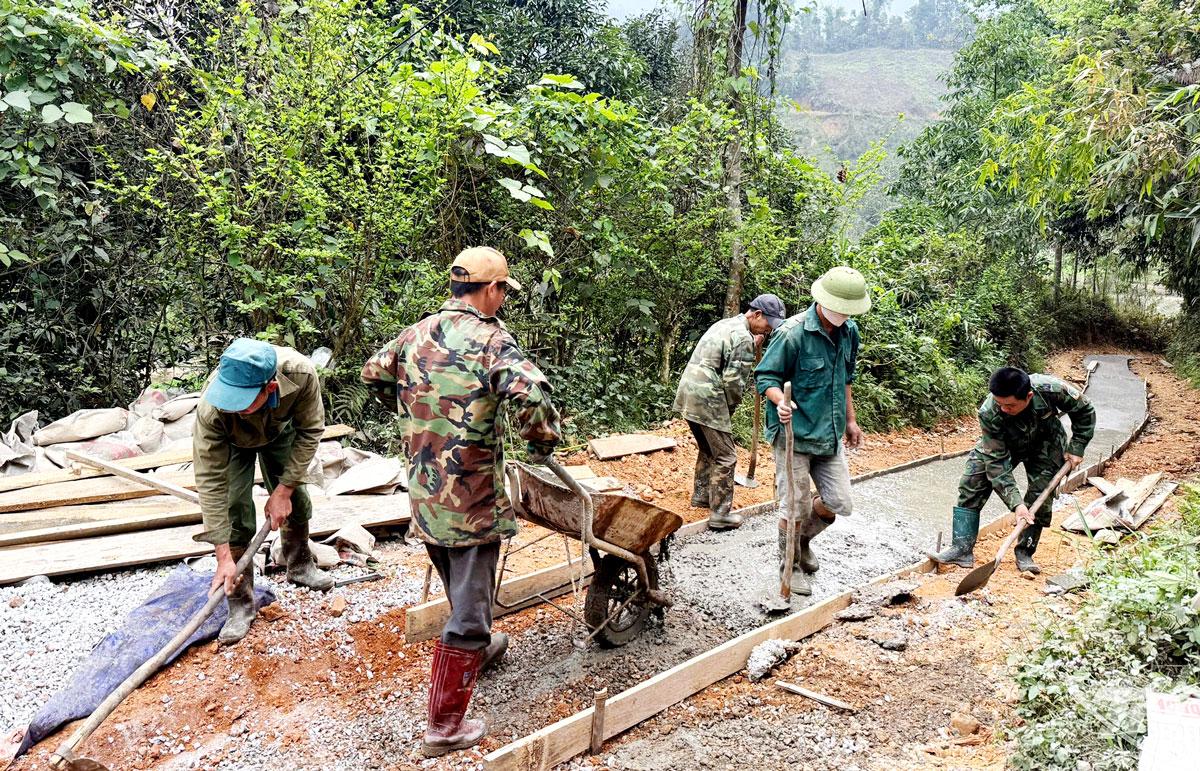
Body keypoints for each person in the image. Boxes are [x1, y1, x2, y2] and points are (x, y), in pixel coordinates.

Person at [361, 246, 561, 758]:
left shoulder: (416, 332)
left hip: (426, 490)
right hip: (470, 494)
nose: (503, 301)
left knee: (456, 575)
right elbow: (533, 396)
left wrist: (417, 411)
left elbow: (373, 372)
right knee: (470, 604)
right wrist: (539, 443)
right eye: (503, 292)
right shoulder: (493, 340)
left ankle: (482, 647)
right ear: (490, 290)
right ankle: (445, 726)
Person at [193, 338, 332, 646]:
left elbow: (310, 431)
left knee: (296, 500)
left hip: (278, 432)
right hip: (231, 443)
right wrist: (223, 556)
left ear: (270, 388)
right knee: (234, 512)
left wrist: (283, 490)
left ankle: (299, 565)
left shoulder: (301, 375)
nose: (232, 406)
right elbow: (210, 482)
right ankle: (241, 604)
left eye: (241, 400)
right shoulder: (213, 410)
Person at [755, 266, 871, 596]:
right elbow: (766, 378)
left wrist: (850, 420)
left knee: (838, 502)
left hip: (829, 432)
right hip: (794, 434)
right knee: (793, 506)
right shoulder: (792, 334)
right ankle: (788, 567)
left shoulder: (850, 332)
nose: (843, 317)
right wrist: (779, 401)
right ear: (822, 301)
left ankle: (803, 538)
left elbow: (846, 378)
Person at [930, 366, 1095, 574]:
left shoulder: (1052, 389)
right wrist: (1016, 505)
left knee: (1041, 496)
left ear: (1028, 396)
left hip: (1046, 441)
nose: (1003, 409)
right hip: (1002, 443)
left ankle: (1025, 552)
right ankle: (962, 550)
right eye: (999, 403)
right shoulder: (989, 411)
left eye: (1009, 405)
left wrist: (1078, 445)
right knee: (972, 481)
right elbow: (996, 463)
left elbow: (1084, 410)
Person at [673, 294, 787, 529]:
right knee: (726, 455)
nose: (767, 331)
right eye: (768, 324)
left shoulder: (726, 324)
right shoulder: (743, 339)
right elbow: (733, 385)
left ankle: (702, 496)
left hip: (688, 393)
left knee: (708, 448)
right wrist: (728, 411)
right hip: (708, 399)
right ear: (757, 315)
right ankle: (721, 514)